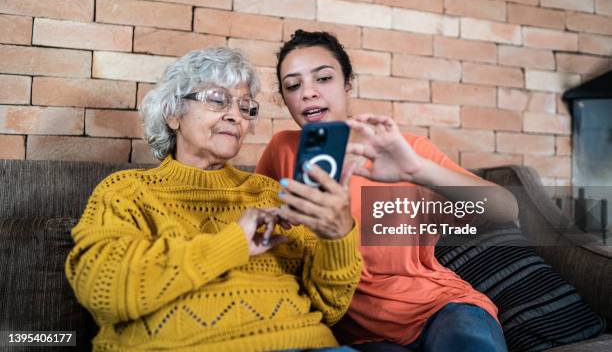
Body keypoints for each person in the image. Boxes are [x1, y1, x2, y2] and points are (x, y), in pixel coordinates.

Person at [65, 47, 362, 351]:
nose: (235, 116)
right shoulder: (126, 191)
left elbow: (330, 308)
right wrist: (232, 243)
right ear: (173, 114)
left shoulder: (269, 193)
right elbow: (103, 290)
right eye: (217, 100)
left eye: (245, 106)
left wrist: (338, 236)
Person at [256, 30, 519, 352]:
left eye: (323, 78)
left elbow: (505, 210)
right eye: (293, 85)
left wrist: (416, 170)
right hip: (356, 335)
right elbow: (260, 236)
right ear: (285, 99)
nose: (308, 93)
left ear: (347, 83)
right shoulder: (282, 150)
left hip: (441, 310)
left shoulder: (405, 148)